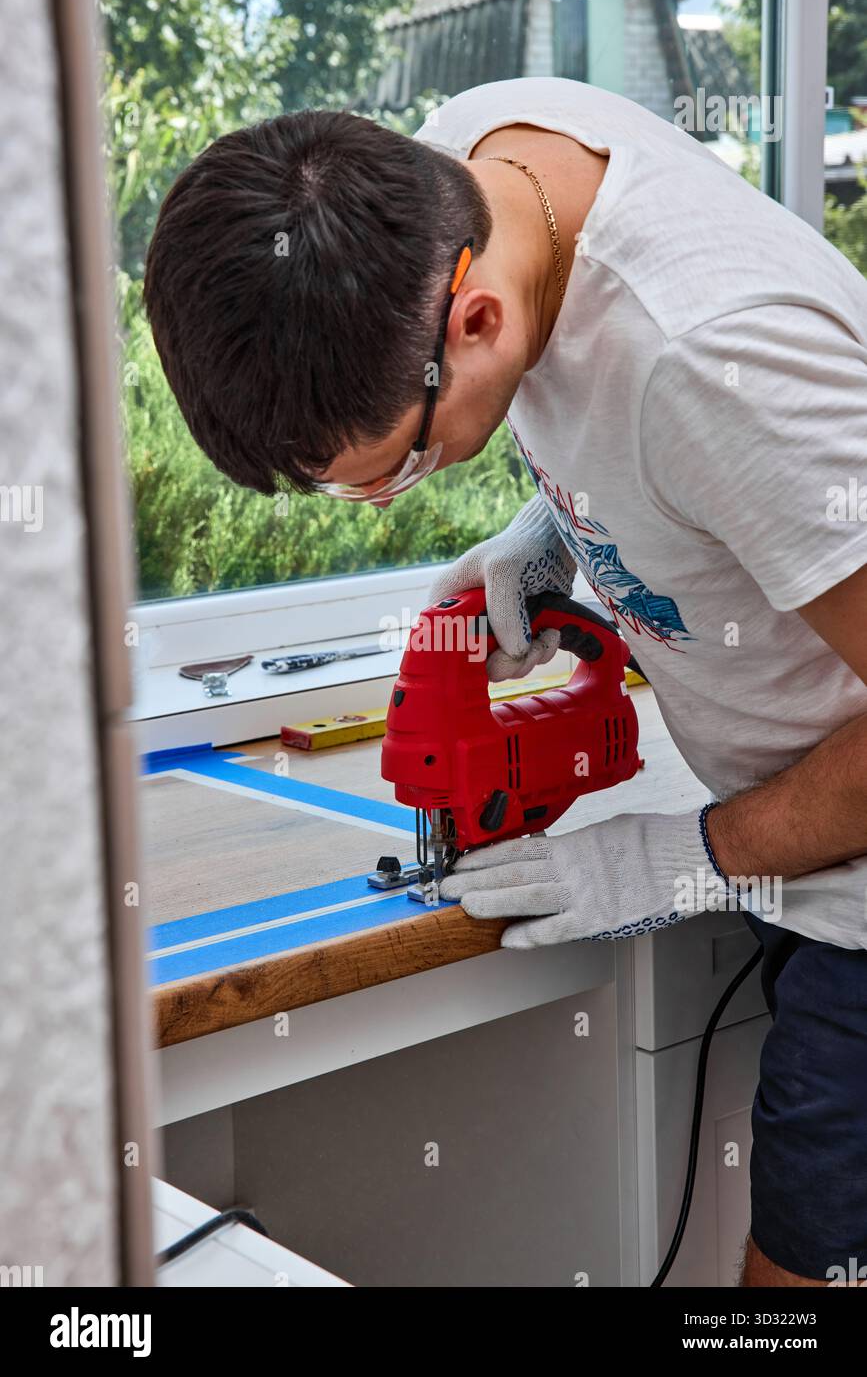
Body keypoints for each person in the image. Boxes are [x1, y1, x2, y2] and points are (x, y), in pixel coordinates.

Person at [144, 77, 867, 1287]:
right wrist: (566, 536)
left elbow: (692, 411)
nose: (389, 497)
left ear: (472, 316)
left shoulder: (718, 353)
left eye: (404, 462)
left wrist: (683, 853)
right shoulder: (461, 165)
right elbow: (637, 419)